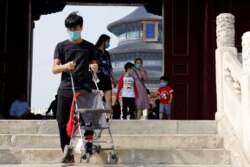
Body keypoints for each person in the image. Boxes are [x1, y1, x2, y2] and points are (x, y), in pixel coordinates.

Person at [52, 12, 98, 163]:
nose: (73, 31)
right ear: (67, 29)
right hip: (65, 88)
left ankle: (89, 146)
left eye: (75, 28)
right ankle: (67, 152)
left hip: (84, 87)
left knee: (87, 119)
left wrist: (94, 67)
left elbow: (94, 64)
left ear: (81, 27)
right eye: (70, 29)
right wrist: (65, 66)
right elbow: (54, 69)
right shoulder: (61, 46)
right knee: (62, 121)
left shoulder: (90, 47)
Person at [93, 34, 117, 109]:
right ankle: (96, 117)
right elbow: (92, 64)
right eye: (107, 41)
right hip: (97, 77)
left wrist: (114, 79)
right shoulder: (94, 51)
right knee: (96, 99)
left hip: (106, 78)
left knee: (109, 98)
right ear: (103, 41)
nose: (108, 44)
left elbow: (110, 67)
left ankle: (108, 116)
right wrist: (94, 75)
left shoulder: (107, 54)